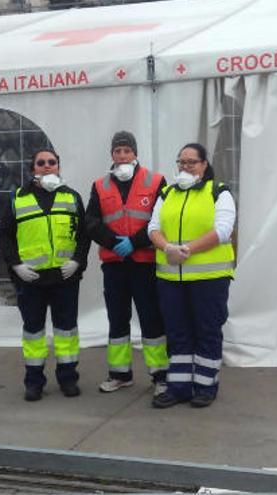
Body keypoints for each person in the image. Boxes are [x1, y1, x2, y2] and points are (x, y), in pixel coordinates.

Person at [148, 143, 236, 408]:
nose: (185, 167)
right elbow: (153, 227)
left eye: (191, 162)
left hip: (209, 280)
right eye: (181, 162)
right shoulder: (166, 194)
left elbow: (223, 230)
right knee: (177, 332)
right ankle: (179, 387)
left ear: (204, 165)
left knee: (207, 330)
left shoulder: (218, 192)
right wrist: (167, 248)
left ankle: (206, 387)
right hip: (171, 280)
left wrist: (187, 250)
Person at [0, 148, 90, 401]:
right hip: (31, 280)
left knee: (66, 331)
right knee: (33, 332)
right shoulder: (17, 198)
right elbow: (5, 236)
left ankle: (68, 379)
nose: (47, 166)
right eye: (41, 163)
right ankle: (34, 382)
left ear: (59, 167)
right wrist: (16, 265)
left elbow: (84, 234)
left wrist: (77, 262)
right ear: (33, 169)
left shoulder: (72, 197)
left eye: (52, 162)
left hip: (65, 278)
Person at [85, 131, 169, 396]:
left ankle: (160, 376)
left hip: (144, 262)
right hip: (114, 265)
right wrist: (112, 242)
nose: (122, 155)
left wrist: (135, 241)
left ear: (135, 153)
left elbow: (160, 220)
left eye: (127, 151)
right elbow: (91, 222)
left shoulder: (155, 181)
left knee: (151, 319)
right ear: (111, 154)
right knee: (117, 319)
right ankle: (120, 374)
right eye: (117, 151)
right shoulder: (100, 185)